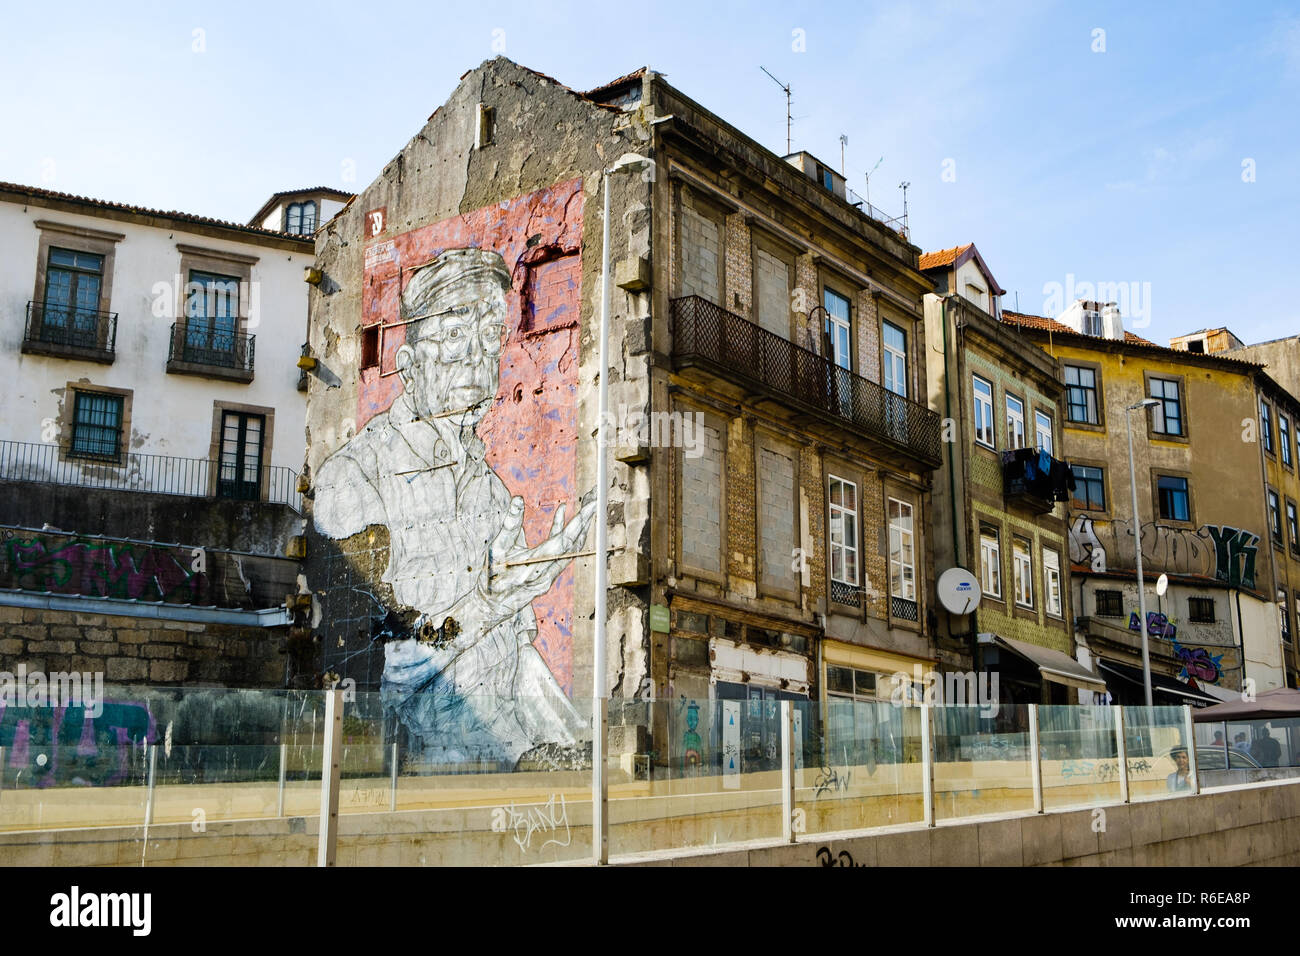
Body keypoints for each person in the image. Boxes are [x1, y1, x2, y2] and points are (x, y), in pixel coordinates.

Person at [313, 247, 596, 768]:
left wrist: (575, 750)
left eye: (489, 335)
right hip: (410, 775)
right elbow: (379, 666)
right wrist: (487, 604)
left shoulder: (490, 492)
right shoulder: (355, 477)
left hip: (506, 772)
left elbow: (518, 665)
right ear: (408, 365)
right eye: (451, 335)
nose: (475, 354)